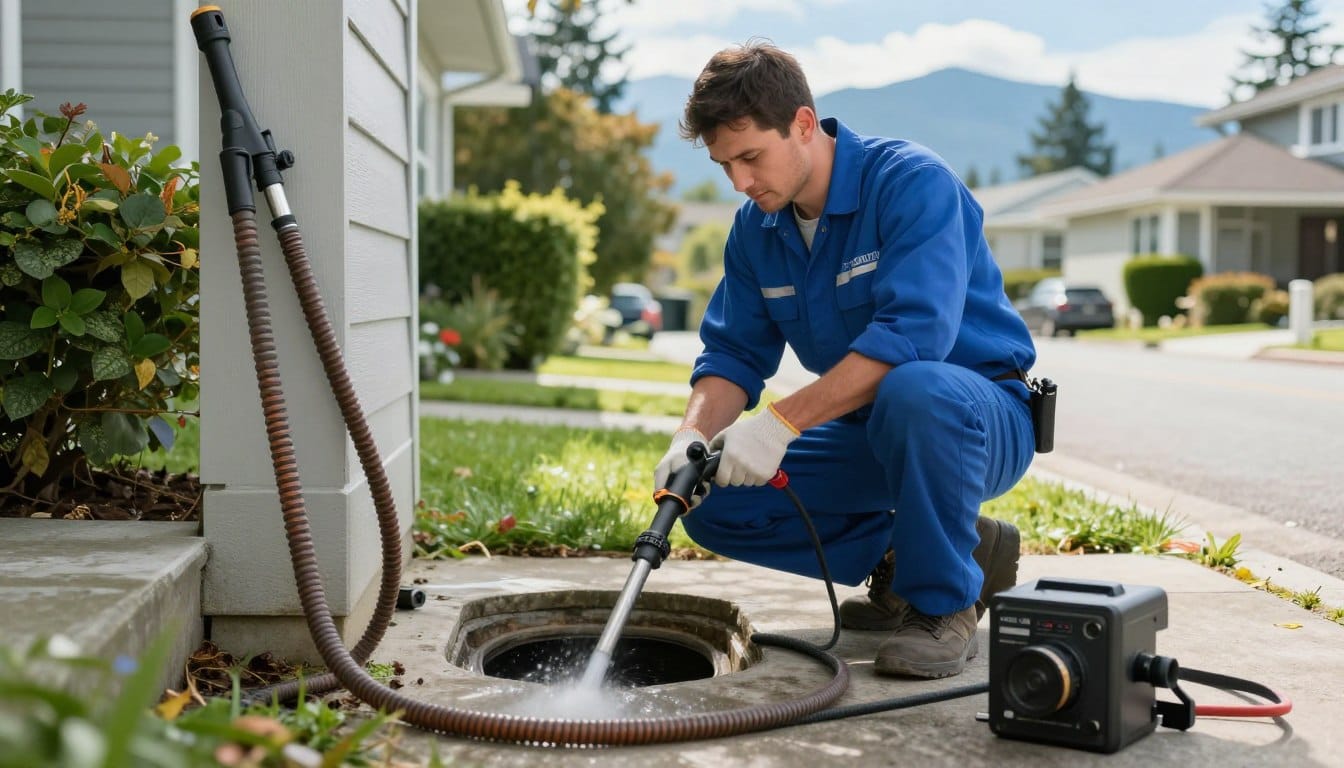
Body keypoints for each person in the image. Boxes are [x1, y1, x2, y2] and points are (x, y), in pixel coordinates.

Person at [653, 42, 1038, 679]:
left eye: (751, 157)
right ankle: (923, 551)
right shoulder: (757, 229)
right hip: (869, 427)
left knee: (916, 390)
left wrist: (779, 424)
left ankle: (942, 603)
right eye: (726, 166)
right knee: (714, 500)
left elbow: (914, 338)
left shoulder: (912, 184)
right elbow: (732, 353)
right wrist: (692, 438)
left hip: (975, 417)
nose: (742, 183)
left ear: (803, 124)